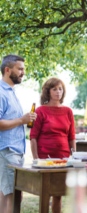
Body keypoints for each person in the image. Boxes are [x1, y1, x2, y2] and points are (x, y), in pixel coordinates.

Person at [29, 78, 76, 213]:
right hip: (44, 159)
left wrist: (74, 156)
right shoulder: (40, 111)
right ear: (48, 92)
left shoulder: (68, 111)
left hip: (63, 158)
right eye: (54, 89)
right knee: (45, 193)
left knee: (58, 193)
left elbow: (71, 137)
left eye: (60, 89)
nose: (58, 92)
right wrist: (36, 159)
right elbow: (33, 137)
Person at [0, 55, 36, 213]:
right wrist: (22, 120)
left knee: (6, 194)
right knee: (12, 197)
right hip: (8, 151)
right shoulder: (1, 92)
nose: (23, 72)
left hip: (14, 151)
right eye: (20, 69)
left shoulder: (11, 92)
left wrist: (26, 120)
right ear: (7, 70)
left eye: (24, 69)